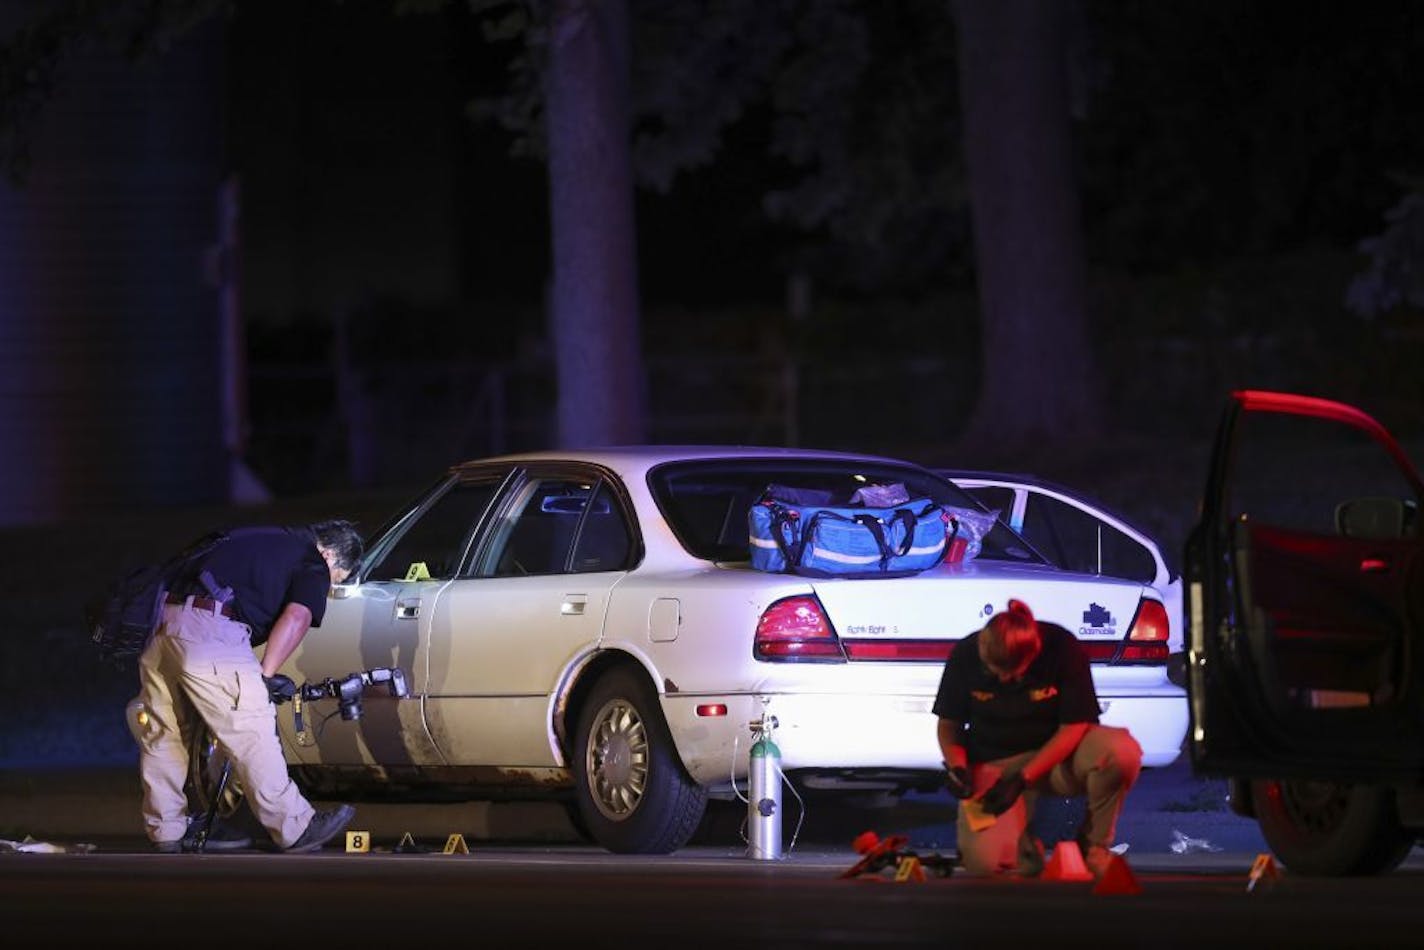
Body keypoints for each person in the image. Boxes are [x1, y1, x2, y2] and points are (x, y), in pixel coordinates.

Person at [133, 519, 364, 853]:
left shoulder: (260, 537)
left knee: (165, 734)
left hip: (160, 627)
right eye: (334, 580)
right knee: (252, 726)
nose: (325, 586)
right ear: (329, 555)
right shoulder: (311, 561)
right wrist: (266, 674)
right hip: (209, 632)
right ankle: (294, 827)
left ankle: (166, 830)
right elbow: (297, 617)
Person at [932, 598, 1142, 877]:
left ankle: (1093, 847)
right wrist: (958, 766)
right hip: (996, 765)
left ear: (1034, 653)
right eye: (997, 672)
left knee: (1120, 752)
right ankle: (1023, 846)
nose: (1005, 680)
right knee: (983, 865)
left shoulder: (1062, 648)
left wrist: (1023, 779)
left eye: (1013, 674)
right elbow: (949, 724)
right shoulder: (965, 654)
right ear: (982, 647)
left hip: (1058, 760)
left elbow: (1075, 727)